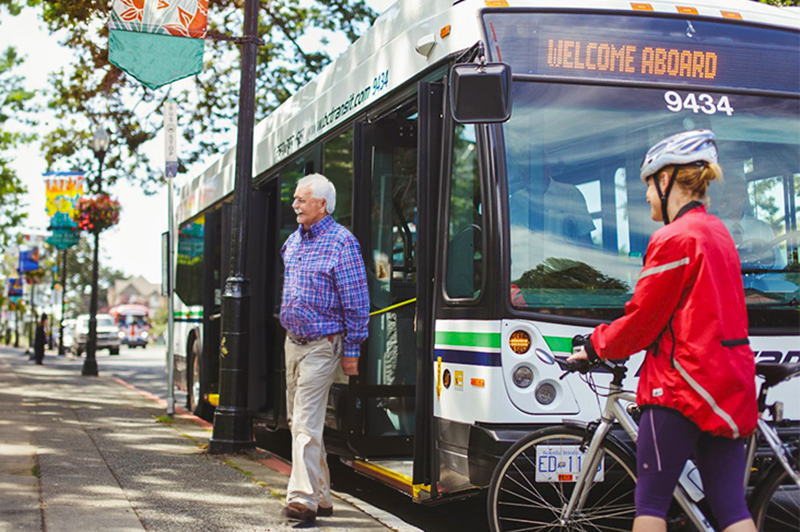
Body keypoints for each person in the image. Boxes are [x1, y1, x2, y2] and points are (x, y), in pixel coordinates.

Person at [568, 130, 757, 532]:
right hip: (726, 386)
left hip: (679, 386)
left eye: (649, 186)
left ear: (667, 179)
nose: (648, 196)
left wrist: (595, 345)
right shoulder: (720, 235)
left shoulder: (674, 239)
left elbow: (642, 320)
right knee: (732, 508)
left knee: (651, 503)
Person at [279, 173, 369, 523]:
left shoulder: (342, 243)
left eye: (302, 199)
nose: (295, 204)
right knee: (296, 421)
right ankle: (323, 495)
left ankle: (302, 500)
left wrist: (353, 350)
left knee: (305, 422)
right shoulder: (292, 242)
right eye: (295, 199)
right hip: (293, 343)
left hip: (323, 344)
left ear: (323, 204)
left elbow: (357, 301)